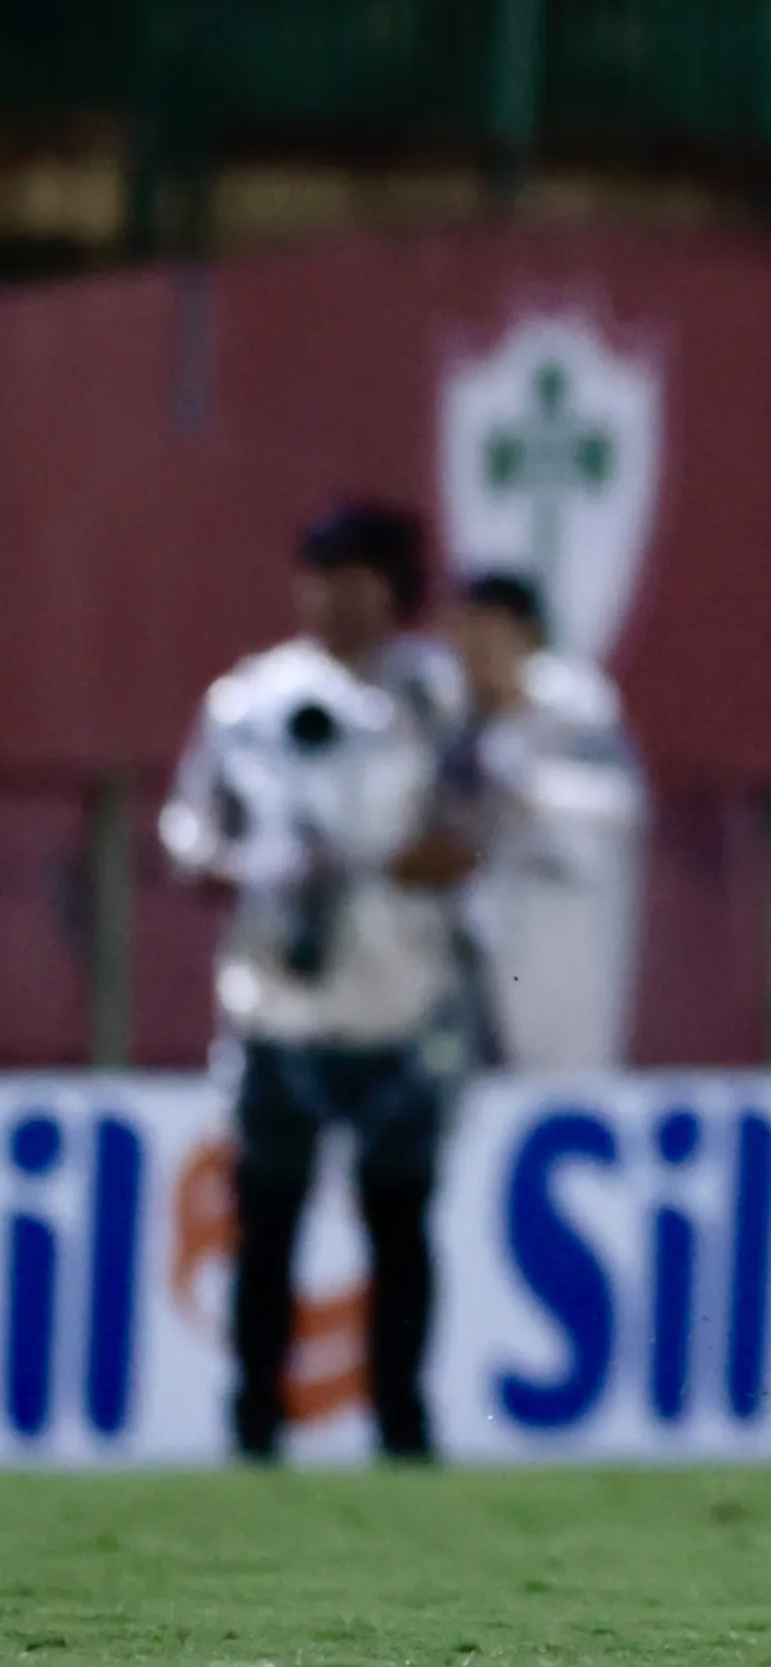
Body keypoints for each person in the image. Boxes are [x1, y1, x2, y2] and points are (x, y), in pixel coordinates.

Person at [157, 502, 474, 1463]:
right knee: (268, 1224)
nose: (335, 600)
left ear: (394, 589)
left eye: (358, 579)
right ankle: (254, 1423)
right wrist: (256, 867)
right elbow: (188, 831)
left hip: (398, 997)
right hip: (277, 1002)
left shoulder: (432, 696)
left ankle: (401, 1425)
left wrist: (381, 862)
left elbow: (469, 828)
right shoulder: (249, 700)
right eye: (320, 577)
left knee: (400, 1223)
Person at [446, 573, 646, 1073]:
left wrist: (529, 791)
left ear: (524, 635)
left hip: (558, 924)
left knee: (556, 1079)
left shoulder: (572, 705)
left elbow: (620, 802)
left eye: (488, 634)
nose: (476, 651)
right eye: (464, 635)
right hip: (474, 934)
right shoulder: (456, 718)